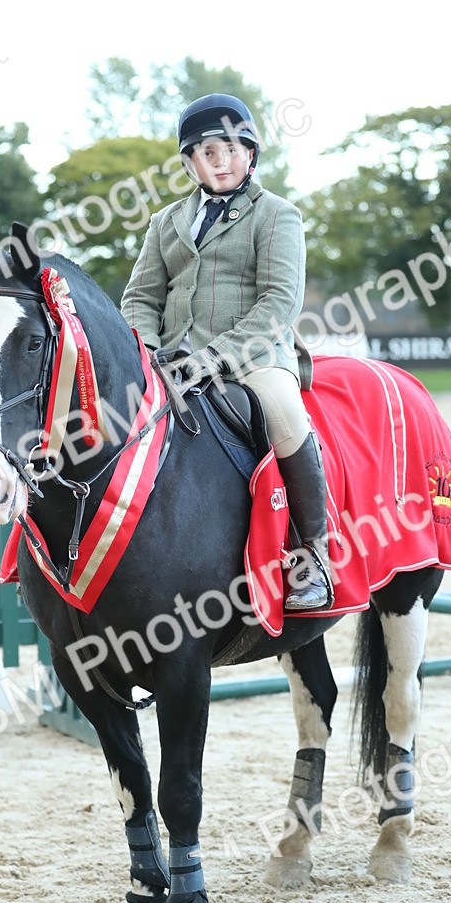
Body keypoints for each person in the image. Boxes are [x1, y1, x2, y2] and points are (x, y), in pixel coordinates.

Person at [120, 92, 332, 611]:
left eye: (232, 150)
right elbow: (141, 298)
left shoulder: (277, 215)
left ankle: (313, 555)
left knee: (286, 416)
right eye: (208, 153)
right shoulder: (165, 222)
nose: (221, 162)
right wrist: (146, 349)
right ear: (190, 163)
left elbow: (279, 302)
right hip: (171, 361)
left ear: (251, 154)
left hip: (255, 358)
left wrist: (214, 358)